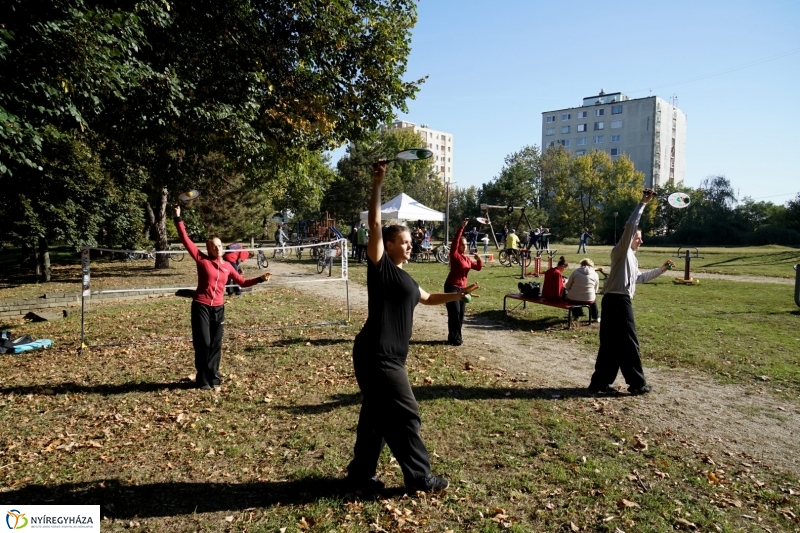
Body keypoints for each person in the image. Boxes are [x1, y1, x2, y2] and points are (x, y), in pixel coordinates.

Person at [346, 159, 479, 495]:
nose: (410, 244)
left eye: (409, 241)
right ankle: (419, 477)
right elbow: (375, 222)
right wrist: (377, 184)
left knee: (375, 416)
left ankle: (361, 474)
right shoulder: (381, 268)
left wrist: (457, 294)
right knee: (406, 414)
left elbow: (429, 297)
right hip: (378, 356)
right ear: (388, 245)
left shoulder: (404, 277)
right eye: (404, 241)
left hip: (386, 356)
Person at [587, 189, 675, 396]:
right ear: (629, 239)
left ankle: (599, 383)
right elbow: (630, 226)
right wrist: (643, 204)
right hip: (618, 300)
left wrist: (661, 270)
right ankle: (637, 384)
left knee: (610, 345)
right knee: (629, 342)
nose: (641, 241)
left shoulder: (632, 259)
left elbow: (639, 278)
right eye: (638, 238)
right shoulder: (621, 251)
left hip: (613, 300)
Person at [173, 205, 271, 390]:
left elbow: (241, 282)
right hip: (201, 306)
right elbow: (185, 240)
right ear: (209, 249)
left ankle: (214, 377)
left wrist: (260, 279)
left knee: (216, 344)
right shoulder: (202, 260)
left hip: (218, 308)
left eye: (219, 245)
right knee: (204, 343)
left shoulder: (227, 266)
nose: (218, 248)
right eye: (214, 247)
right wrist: (178, 218)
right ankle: (202, 380)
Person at [444, 218, 483, 346]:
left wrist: (479, 259)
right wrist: (462, 227)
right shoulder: (455, 255)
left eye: (466, 244)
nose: (465, 246)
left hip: (463, 289)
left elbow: (477, 268)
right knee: (454, 313)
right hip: (451, 287)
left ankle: (454, 337)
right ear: (458, 245)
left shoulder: (466, 259)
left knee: (460, 315)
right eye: (462, 244)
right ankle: (456, 339)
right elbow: (455, 241)